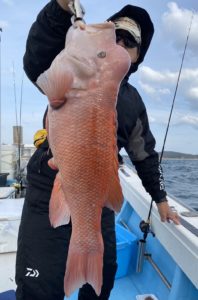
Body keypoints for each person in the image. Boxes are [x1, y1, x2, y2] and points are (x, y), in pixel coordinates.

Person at [15, 1, 180, 300]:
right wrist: (59, 10)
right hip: (49, 180)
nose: (119, 40)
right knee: (39, 284)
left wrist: (161, 198)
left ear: (136, 58)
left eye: (130, 41)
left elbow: (144, 154)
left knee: (102, 277)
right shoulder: (67, 66)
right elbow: (35, 60)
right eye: (115, 32)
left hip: (97, 191)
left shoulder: (132, 102)